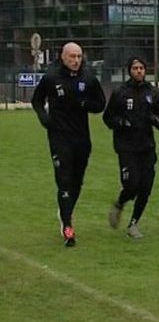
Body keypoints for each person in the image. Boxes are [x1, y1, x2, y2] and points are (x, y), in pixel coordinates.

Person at [31, 42, 106, 247]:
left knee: (76, 181)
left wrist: (85, 104)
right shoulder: (51, 77)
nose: (75, 60)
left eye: (79, 56)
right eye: (72, 56)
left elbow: (100, 104)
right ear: (63, 57)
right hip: (59, 138)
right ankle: (68, 227)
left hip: (81, 138)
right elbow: (36, 100)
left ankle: (66, 211)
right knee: (63, 181)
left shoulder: (88, 78)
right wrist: (45, 119)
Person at [103, 56, 159, 238]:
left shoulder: (153, 93)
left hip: (147, 146)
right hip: (126, 147)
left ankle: (133, 224)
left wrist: (155, 119)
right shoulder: (120, 93)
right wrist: (121, 122)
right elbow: (108, 117)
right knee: (131, 184)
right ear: (129, 70)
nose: (139, 71)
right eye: (135, 68)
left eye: (141, 68)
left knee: (146, 187)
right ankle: (120, 203)